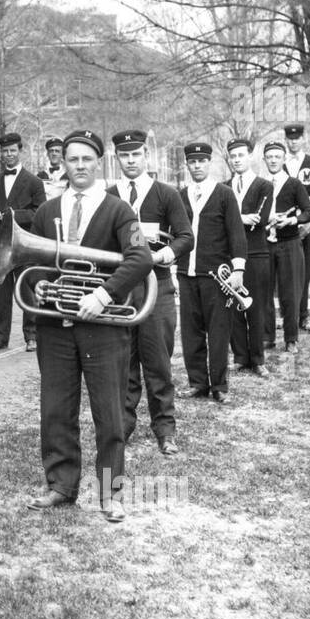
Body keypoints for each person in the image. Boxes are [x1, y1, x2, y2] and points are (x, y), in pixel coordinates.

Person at [25, 130, 152, 523]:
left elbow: (140, 258)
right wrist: (40, 284)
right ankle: (61, 485)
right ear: (62, 163)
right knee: (55, 409)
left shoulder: (117, 209)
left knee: (109, 413)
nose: (79, 166)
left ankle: (110, 493)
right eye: (72, 159)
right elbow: (35, 267)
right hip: (57, 327)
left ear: (99, 163)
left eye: (86, 159)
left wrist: (103, 295)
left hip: (104, 327)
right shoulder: (48, 210)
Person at [107, 128, 193, 451]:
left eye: (136, 154)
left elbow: (186, 237)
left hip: (158, 287)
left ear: (146, 155)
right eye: (124, 156)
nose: (130, 161)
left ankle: (165, 430)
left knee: (158, 362)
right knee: (122, 363)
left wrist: (161, 254)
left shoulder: (166, 194)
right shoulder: (109, 194)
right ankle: (123, 426)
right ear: (117, 159)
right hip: (122, 291)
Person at [178, 141, 247, 404]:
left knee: (218, 331)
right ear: (187, 165)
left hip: (216, 276)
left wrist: (238, 268)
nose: (197, 166)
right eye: (192, 162)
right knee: (191, 331)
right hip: (186, 273)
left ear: (210, 163)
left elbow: (236, 234)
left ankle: (219, 385)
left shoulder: (224, 194)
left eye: (202, 161)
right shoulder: (180, 195)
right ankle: (198, 383)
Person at [0, 131, 46, 353]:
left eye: (12, 151)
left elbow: (39, 212)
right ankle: (0, 337)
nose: (8, 155)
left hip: (24, 246)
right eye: (5, 152)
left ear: (20, 151)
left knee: (27, 291)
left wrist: (13, 215)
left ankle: (32, 336)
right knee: (0, 296)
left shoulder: (34, 182)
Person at [224, 138, 273, 377]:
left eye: (241, 155)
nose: (236, 160)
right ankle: (240, 357)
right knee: (233, 304)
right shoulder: (223, 187)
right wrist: (242, 218)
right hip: (230, 255)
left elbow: (261, 220)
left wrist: (234, 219)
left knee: (256, 307)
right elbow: (221, 222)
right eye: (233, 157)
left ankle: (257, 358)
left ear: (250, 156)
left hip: (256, 253)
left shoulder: (264, 186)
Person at [262, 140, 310, 355]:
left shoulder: (294, 184)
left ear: (283, 159)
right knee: (264, 291)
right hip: (264, 245)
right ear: (264, 160)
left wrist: (293, 220)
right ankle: (267, 337)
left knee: (290, 292)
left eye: (277, 156)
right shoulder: (260, 184)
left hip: (290, 244)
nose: (273, 160)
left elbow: (309, 212)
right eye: (269, 157)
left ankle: (291, 338)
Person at [283, 124, 310, 332]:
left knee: (305, 271)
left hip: (308, 224)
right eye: (290, 138)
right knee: (287, 272)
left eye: (297, 138)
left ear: (303, 139)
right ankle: (288, 317)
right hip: (286, 225)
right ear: (286, 140)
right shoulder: (280, 162)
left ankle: (302, 316)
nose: (293, 141)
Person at [37, 136, 66, 200]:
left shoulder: (68, 176)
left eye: (57, 151)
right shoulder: (40, 176)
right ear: (47, 154)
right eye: (51, 151)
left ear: (62, 154)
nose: (54, 153)